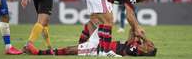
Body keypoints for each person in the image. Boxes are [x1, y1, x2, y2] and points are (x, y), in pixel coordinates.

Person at [24, 27, 157, 57]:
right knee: (96, 20)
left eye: (151, 45)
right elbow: (131, 31)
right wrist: (140, 34)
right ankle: (82, 41)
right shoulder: (138, 44)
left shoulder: (135, 51)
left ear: (148, 50)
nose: (150, 43)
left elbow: (125, 51)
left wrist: (141, 37)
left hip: (100, 49)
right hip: (102, 40)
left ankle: (38, 53)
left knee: (70, 50)